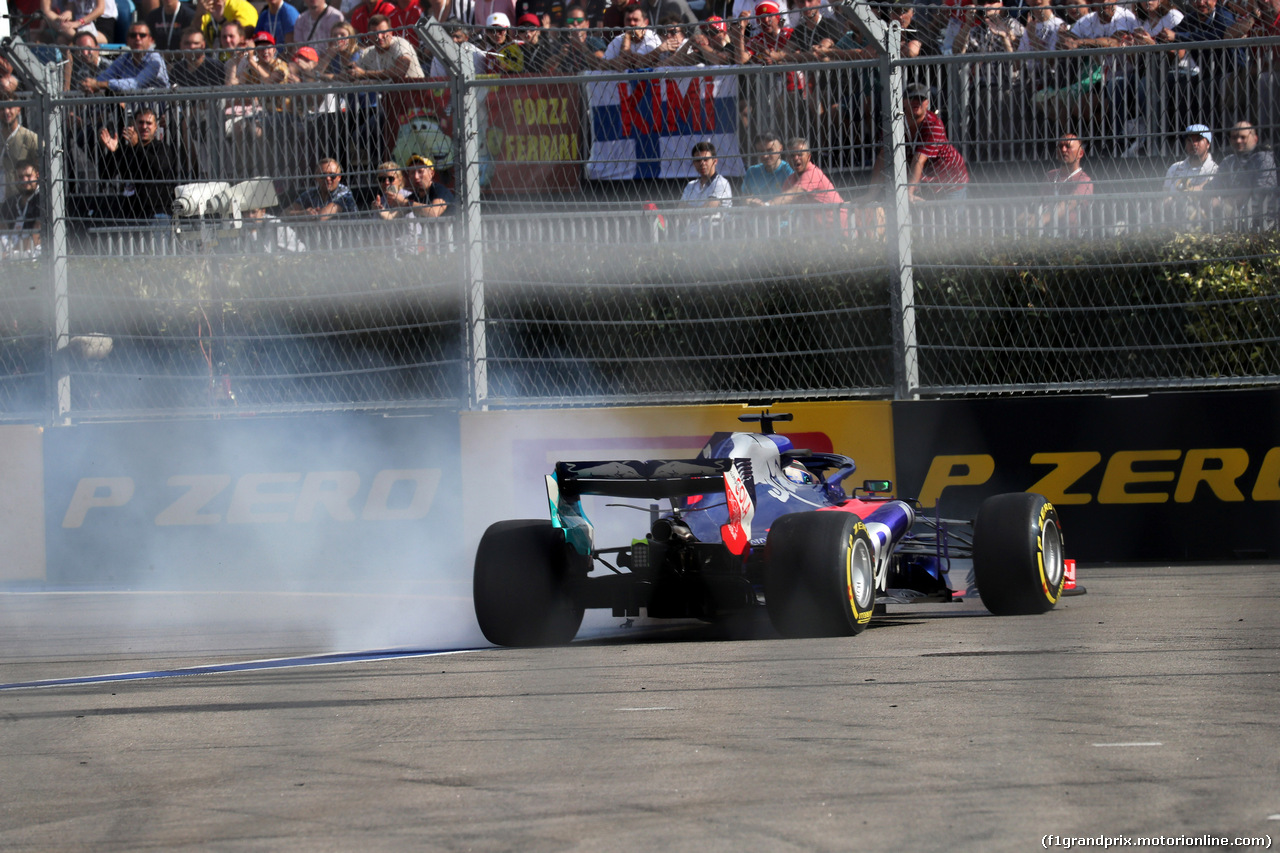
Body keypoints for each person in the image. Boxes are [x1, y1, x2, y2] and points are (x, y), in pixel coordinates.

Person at [869, 82, 968, 202]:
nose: (916, 102)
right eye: (912, 98)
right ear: (904, 102)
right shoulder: (893, 124)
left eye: (921, 98)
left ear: (927, 103)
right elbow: (883, 158)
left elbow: (919, 159)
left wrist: (908, 193)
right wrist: (870, 195)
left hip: (950, 180)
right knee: (923, 218)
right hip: (925, 181)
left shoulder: (933, 124)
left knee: (951, 219)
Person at [96, 107, 185, 220]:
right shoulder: (127, 149)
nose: (144, 127)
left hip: (158, 213)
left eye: (149, 123)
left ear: (155, 127)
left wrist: (137, 146)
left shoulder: (162, 148)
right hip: (131, 215)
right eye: (141, 122)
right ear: (134, 124)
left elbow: (158, 169)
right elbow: (105, 175)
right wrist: (113, 152)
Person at [1207, 122, 1278, 223]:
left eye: (1243, 137)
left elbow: (1260, 193)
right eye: (1234, 137)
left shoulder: (1263, 159)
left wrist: (1224, 201)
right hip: (1230, 214)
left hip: (1260, 218)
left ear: (1255, 139)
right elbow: (1214, 186)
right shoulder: (1228, 160)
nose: (1238, 140)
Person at [773, 135, 845, 229]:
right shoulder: (789, 180)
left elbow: (792, 193)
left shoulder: (813, 173)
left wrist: (766, 205)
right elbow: (782, 205)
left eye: (800, 154)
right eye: (792, 155)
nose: (796, 158)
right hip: (818, 231)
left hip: (839, 228)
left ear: (809, 156)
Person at [82, 22, 171, 93]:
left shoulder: (155, 59)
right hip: (134, 111)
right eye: (133, 35)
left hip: (160, 111)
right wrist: (90, 85)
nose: (137, 38)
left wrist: (100, 84)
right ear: (127, 41)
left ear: (151, 40)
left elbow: (136, 84)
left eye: (142, 35)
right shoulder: (124, 59)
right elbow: (105, 76)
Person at [1038, 133, 1092, 232]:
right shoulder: (1050, 175)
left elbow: (1070, 203)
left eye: (1068, 146)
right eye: (1060, 146)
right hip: (1045, 231)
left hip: (1070, 234)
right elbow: (1040, 201)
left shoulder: (1084, 180)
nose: (1063, 150)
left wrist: (1043, 218)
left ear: (1080, 153)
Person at [1163, 123, 1218, 223]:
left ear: (1208, 143)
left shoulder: (1215, 169)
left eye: (1198, 139)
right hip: (1172, 216)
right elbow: (1164, 195)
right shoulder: (1174, 168)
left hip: (1202, 219)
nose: (1194, 143)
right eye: (1190, 140)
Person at [350, 16, 425, 80]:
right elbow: (353, 73)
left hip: (416, 93)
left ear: (391, 32)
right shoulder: (368, 52)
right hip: (391, 95)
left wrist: (364, 74)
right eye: (374, 33)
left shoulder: (401, 44)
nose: (379, 37)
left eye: (383, 32)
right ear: (369, 35)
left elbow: (399, 71)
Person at [381, 153, 454, 217]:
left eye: (420, 171)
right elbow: (391, 217)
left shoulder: (440, 191)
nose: (416, 176)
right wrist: (380, 209)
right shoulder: (414, 197)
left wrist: (405, 202)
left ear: (431, 173)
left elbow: (434, 212)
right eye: (412, 172)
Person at [287, 157, 358, 220]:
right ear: (316, 177)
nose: (328, 178)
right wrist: (303, 213)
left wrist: (310, 214)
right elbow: (284, 213)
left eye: (332, 175)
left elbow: (322, 216)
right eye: (323, 175)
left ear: (339, 177)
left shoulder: (344, 193)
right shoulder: (311, 193)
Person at [2, 102, 41, 205]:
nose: (6, 112)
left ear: (18, 109)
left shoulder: (29, 137)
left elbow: (53, 153)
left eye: (10, 107)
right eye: (2, 108)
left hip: (17, 201)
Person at [739, 132, 793, 206]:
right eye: (761, 151)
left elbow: (790, 198)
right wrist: (750, 201)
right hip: (756, 216)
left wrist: (765, 205)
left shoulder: (788, 171)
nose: (765, 156)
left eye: (770, 150)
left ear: (780, 148)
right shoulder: (752, 171)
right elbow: (743, 197)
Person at [0, 161, 41, 257]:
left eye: (29, 176)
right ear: (15, 178)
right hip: (9, 248)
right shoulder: (10, 201)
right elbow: (2, 228)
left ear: (37, 175)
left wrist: (10, 254)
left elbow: (36, 236)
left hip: (31, 250)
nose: (25, 180)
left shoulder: (42, 199)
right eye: (20, 177)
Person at [551, 6, 605, 72]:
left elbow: (601, 63)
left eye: (579, 20)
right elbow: (544, 69)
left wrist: (582, 45)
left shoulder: (595, 41)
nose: (575, 24)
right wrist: (559, 56)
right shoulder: (563, 45)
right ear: (566, 25)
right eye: (570, 21)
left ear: (587, 24)